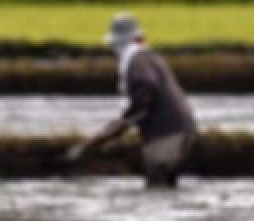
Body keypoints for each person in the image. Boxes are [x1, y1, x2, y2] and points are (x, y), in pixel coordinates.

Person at [65, 12, 198, 188]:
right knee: (167, 187)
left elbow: (145, 90)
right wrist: (117, 128)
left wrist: (114, 130)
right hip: (183, 129)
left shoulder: (136, 61)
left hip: (166, 135)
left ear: (119, 43)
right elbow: (140, 103)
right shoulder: (149, 57)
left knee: (157, 189)